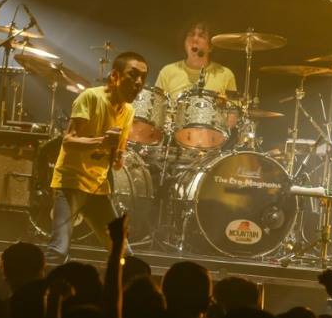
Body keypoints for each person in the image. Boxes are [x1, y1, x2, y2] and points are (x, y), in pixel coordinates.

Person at [45, 51, 148, 262]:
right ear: (115, 76)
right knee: (59, 250)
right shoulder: (90, 97)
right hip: (70, 183)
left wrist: (118, 156)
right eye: (133, 75)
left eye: (143, 78)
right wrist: (101, 141)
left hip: (97, 189)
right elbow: (68, 141)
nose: (138, 82)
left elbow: (117, 158)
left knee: (123, 253)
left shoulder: (128, 111)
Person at [154, 21, 236, 98]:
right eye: (191, 34)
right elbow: (156, 106)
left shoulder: (226, 75)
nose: (195, 39)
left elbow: (233, 108)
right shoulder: (167, 72)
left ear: (210, 46)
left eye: (201, 36)